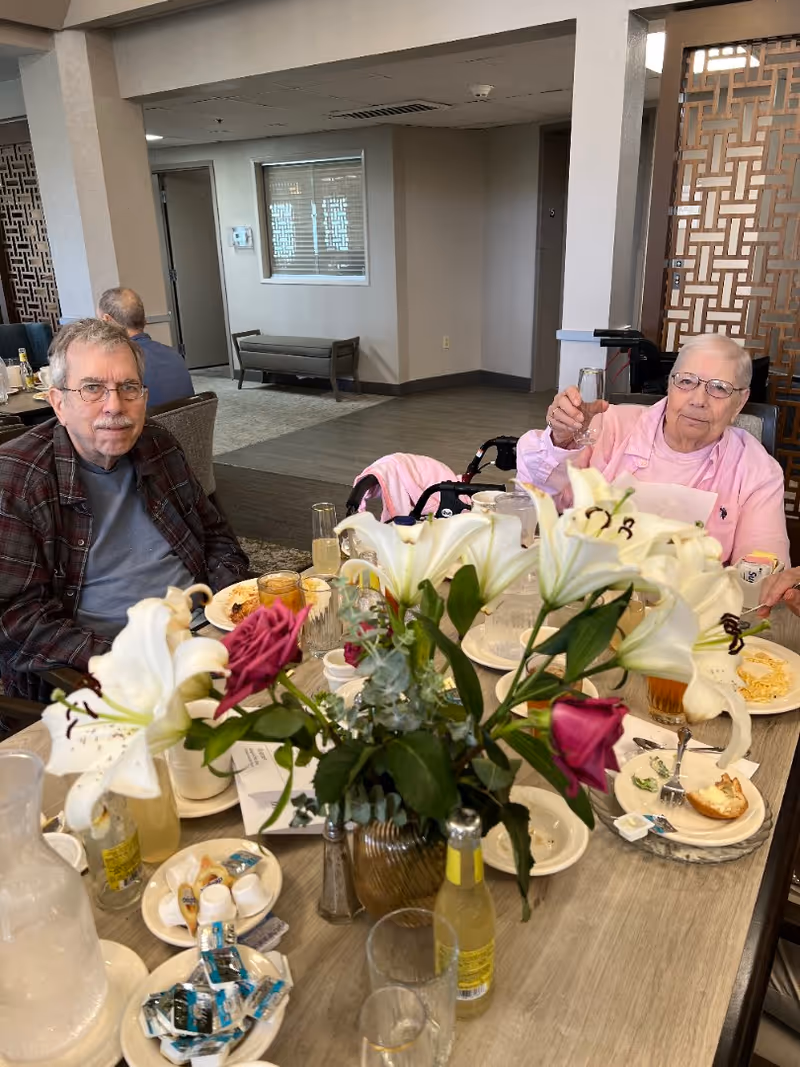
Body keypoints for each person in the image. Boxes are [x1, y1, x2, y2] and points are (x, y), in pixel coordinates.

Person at [0, 318, 248, 700]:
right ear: (58, 403)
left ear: (144, 397)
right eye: (93, 389)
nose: (114, 406)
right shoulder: (17, 479)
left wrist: (230, 603)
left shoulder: (158, 445)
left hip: (204, 632)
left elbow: (216, 535)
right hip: (107, 668)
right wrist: (123, 659)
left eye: (128, 388)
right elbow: (18, 620)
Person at [517, 334, 789, 566]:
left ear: (740, 402)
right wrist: (562, 439)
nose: (698, 400)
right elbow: (535, 497)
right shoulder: (610, 427)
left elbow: (761, 567)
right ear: (670, 385)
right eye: (686, 382)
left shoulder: (756, 469)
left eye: (719, 388)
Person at [97, 286, 194, 408]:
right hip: (184, 426)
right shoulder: (175, 355)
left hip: (145, 426)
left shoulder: (116, 363)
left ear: (107, 320)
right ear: (144, 320)